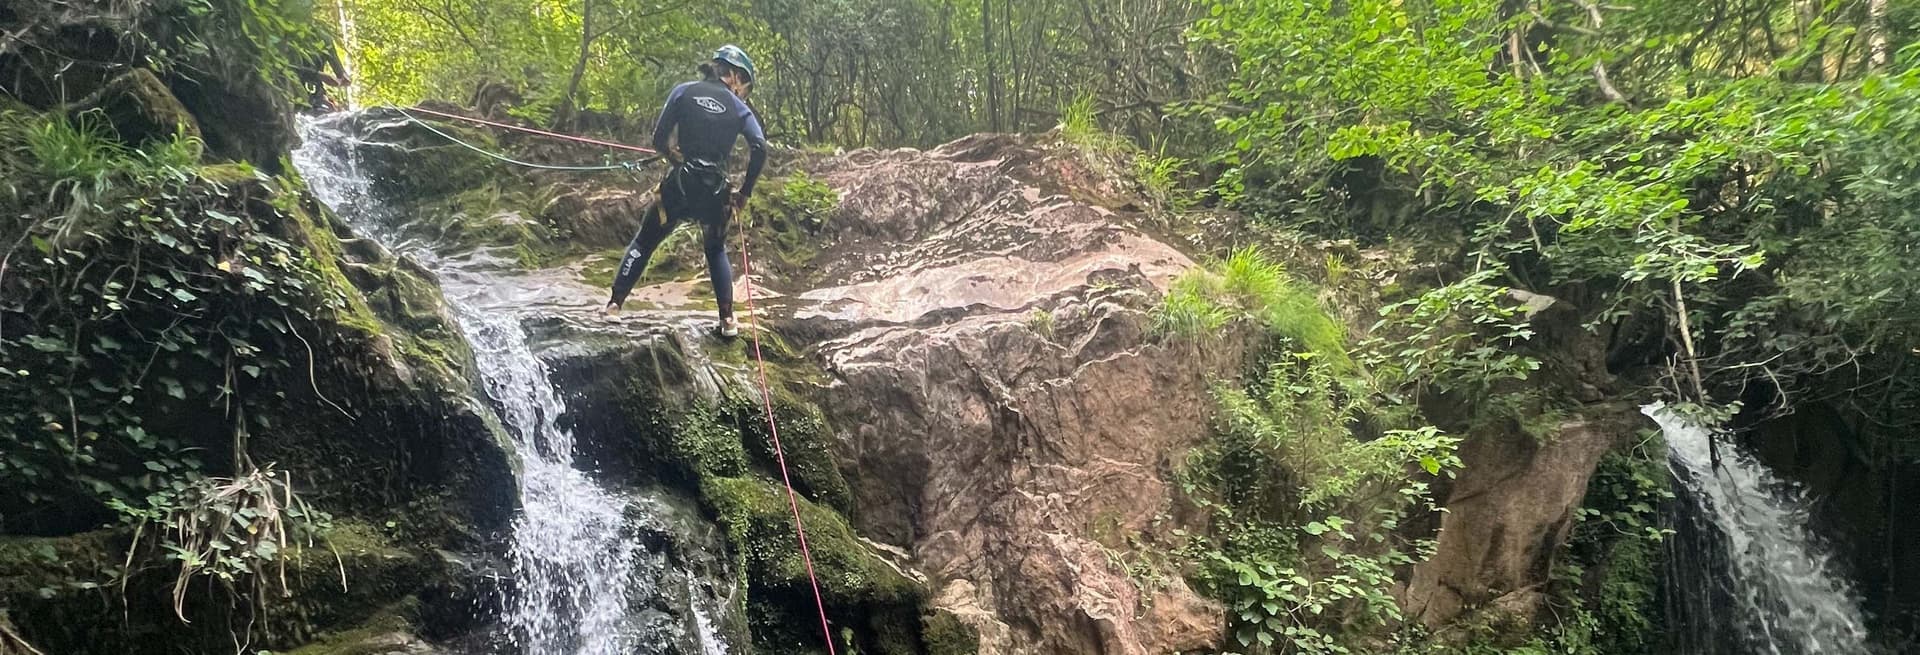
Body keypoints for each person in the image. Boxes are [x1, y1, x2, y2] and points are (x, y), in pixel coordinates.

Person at [603, 45, 768, 338]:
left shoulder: (683, 91)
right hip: (715, 191)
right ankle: (728, 320)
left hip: (680, 185)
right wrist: (744, 192)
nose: (743, 91)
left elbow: (658, 139)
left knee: (644, 241)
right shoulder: (740, 108)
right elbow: (759, 146)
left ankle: (614, 306)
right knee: (715, 248)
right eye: (744, 84)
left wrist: (672, 156)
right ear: (733, 75)